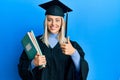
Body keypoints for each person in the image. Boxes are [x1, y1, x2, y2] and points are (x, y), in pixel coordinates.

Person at [18, 0, 89, 80]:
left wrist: (74, 53)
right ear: (45, 22)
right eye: (49, 20)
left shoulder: (72, 46)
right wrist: (33, 63)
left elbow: (81, 73)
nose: (53, 24)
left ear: (62, 23)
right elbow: (22, 68)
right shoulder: (35, 43)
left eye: (57, 20)